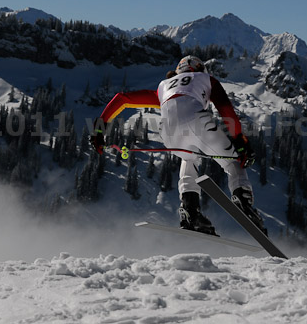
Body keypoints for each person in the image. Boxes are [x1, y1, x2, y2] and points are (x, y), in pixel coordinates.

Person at [90, 55, 266, 236]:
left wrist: (99, 130)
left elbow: (123, 98)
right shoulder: (206, 79)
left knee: (188, 158)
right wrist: (240, 141)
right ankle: (244, 202)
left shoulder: (163, 87)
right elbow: (225, 109)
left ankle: (190, 211)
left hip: (168, 132)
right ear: (198, 68)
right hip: (198, 121)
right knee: (232, 163)